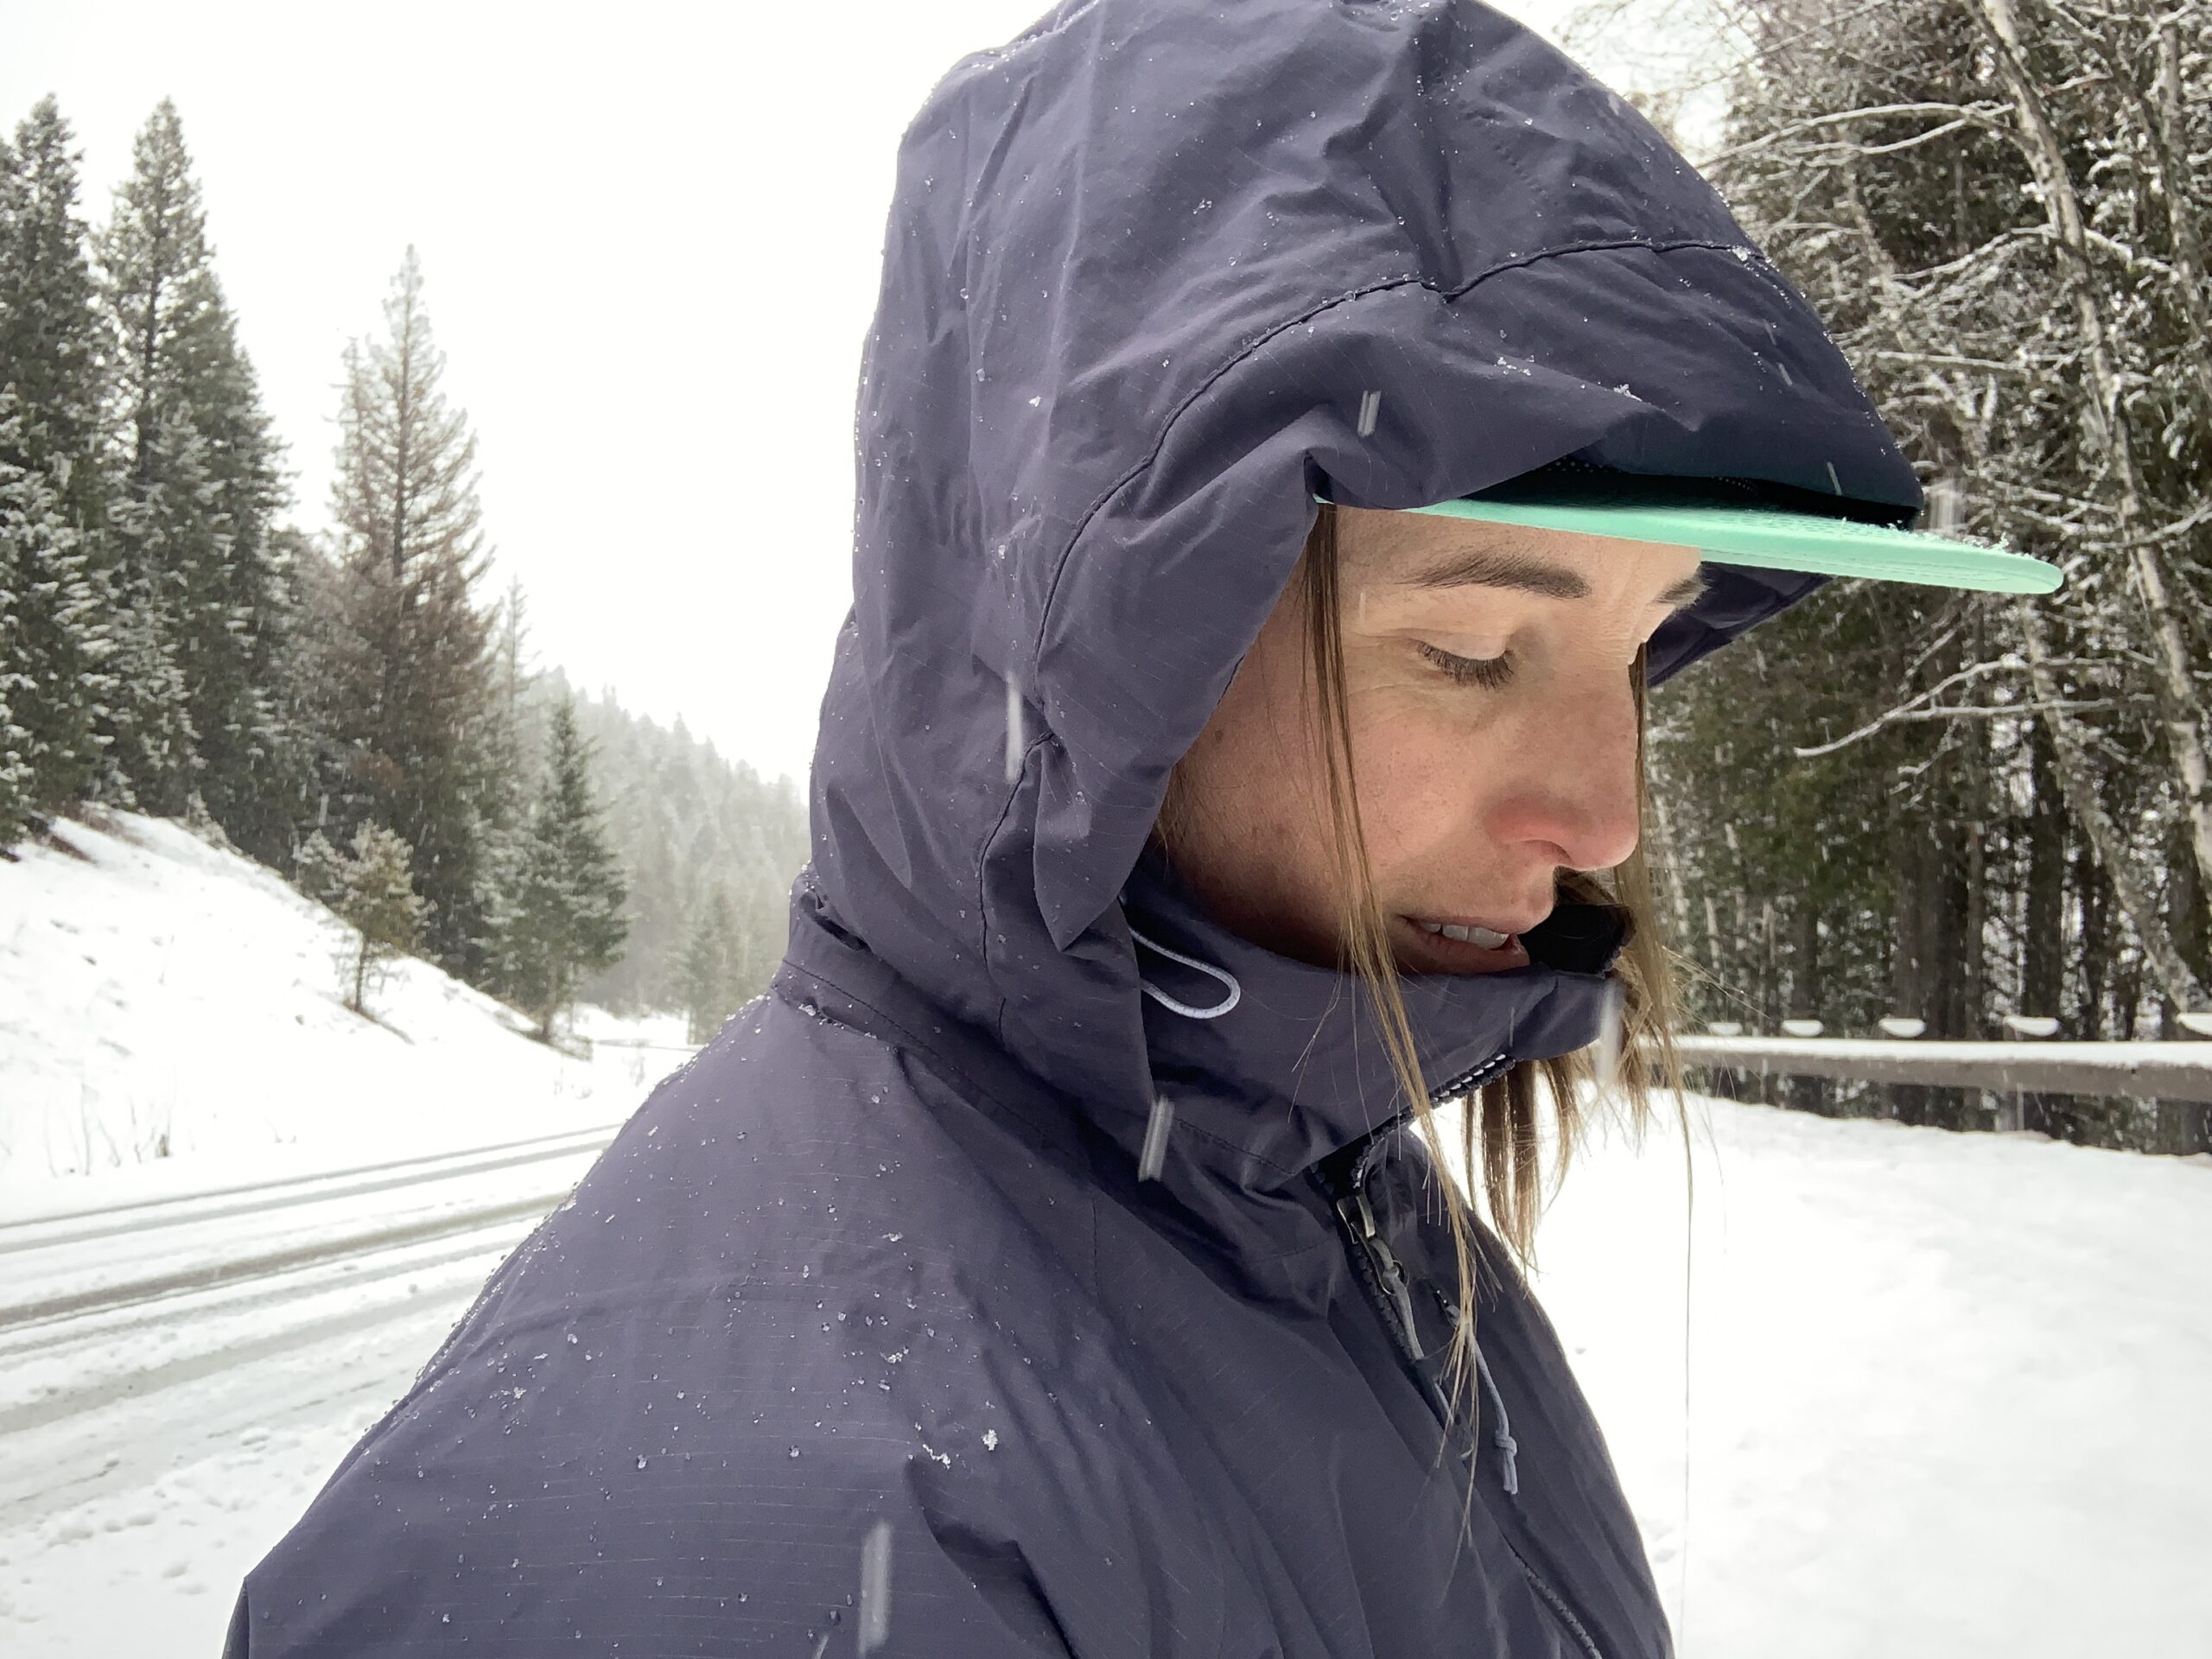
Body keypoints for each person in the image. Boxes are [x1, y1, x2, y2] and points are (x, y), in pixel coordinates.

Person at [223, 2, 2057, 1655]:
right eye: (1473, 646)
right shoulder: (734, 1547)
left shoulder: (1305, 1196)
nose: (1600, 811)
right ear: (1105, 658)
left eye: (1637, 650)